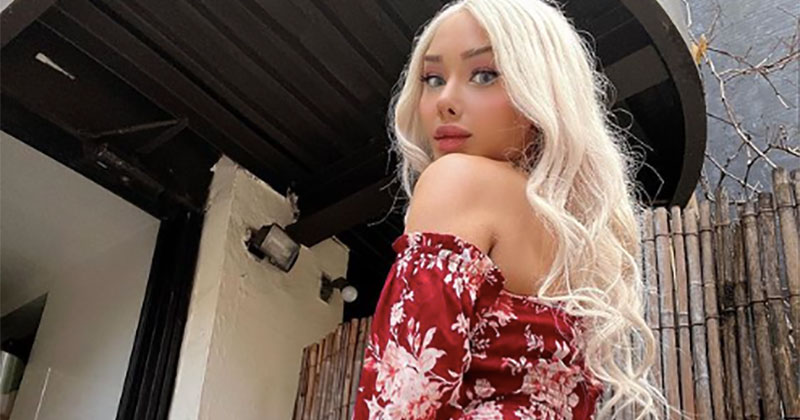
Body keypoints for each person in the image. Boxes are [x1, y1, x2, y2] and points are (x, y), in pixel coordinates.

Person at [352, 0, 668, 418]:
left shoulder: (456, 180)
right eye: (432, 78)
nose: (445, 100)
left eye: (484, 75)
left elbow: (403, 399)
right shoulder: (577, 245)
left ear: (542, 89)